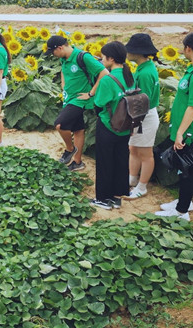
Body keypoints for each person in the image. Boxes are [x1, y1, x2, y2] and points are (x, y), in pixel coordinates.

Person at [155, 31, 193, 221]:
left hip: (190, 131)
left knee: (187, 169)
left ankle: (182, 212)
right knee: (183, 166)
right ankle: (185, 201)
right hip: (186, 129)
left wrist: (180, 133)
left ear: (188, 48)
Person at [46, 35, 109, 171]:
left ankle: (70, 149)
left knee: (60, 125)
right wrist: (63, 84)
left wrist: (91, 93)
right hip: (69, 98)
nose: (52, 55)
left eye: (53, 52)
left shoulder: (83, 57)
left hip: (79, 100)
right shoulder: (64, 58)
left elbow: (104, 73)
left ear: (60, 48)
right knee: (78, 130)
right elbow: (63, 70)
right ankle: (77, 162)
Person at [89, 41, 134, 209]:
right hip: (126, 126)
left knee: (104, 162)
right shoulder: (130, 76)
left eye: (103, 57)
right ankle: (117, 196)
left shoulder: (108, 80)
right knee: (121, 161)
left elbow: (99, 103)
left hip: (109, 126)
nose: (101, 60)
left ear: (111, 59)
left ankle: (103, 198)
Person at [124, 34, 160, 199]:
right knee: (133, 148)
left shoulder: (145, 73)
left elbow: (142, 102)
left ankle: (142, 186)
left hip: (143, 116)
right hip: (141, 115)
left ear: (138, 52)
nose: (127, 53)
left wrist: (133, 123)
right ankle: (132, 179)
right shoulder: (145, 67)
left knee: (145, 154)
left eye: (129, 50)